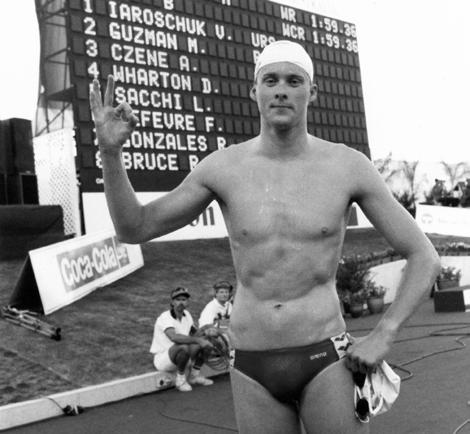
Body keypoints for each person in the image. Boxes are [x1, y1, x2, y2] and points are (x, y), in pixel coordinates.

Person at [90, 40, 441, 433]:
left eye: (294, 81)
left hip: (325, 356)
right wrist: (110, 153)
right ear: (254, 91)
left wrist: (384, 334)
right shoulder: (223, 168)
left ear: (312, 92)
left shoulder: (347, 167)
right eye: (270, 80)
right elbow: (135, 227)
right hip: (252, 365)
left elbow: (424, 256)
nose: (281, 90)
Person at [150, 287, 214, 392]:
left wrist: (206, 331)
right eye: (178, 299)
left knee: (207, 342)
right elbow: (174, 337)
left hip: (183, 356)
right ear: (172, 302)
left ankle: (194, 376)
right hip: (163, 359)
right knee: (183, 345)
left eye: (183, 300)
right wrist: (198, 340)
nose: (181, 302)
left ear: (187, 302)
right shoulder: (164, 317)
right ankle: (180, 380)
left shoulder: (187, 315)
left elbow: (195, 334)